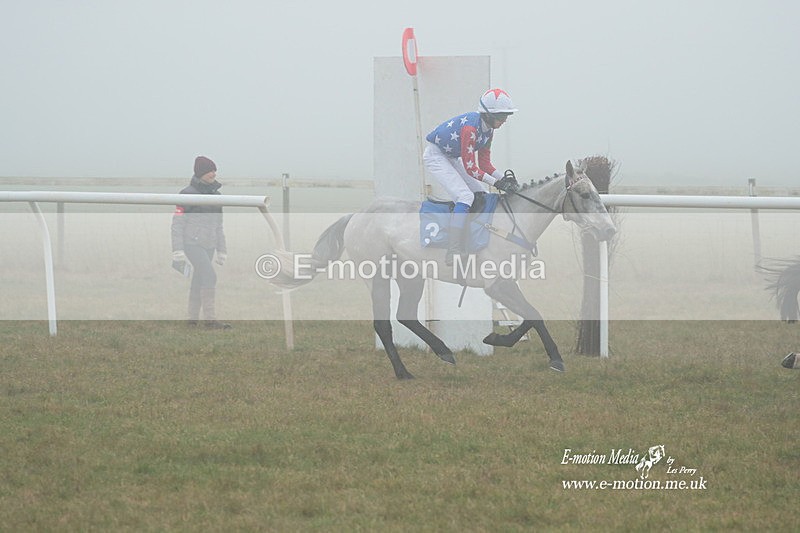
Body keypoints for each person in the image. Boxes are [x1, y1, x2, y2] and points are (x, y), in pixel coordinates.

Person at [423, 88, 521, 265]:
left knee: (481, 193)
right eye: (502, 116)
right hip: (436, 156)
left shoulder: (489, 130)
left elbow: (484, 164)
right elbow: (471, 168)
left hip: (451, 157)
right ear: (489, 115)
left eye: (506, 116)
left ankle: (473, 236)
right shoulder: (471, 129)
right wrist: (498, 183)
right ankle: (453, 250)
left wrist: (503, 179)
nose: (505, 120)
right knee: (465, 196)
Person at [171, 156, 231, 329]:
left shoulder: (217, 196)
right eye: (210, 170)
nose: (214, 173)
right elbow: (177, 223)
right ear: (200, 173)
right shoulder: (187, 194)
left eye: (215, 170)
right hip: (192, 244)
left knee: (199, 279)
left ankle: (192, 320)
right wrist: (178, 249)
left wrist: (222, 249)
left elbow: (219, 225)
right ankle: (210, 320)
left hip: (210, 244)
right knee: (210, 276)